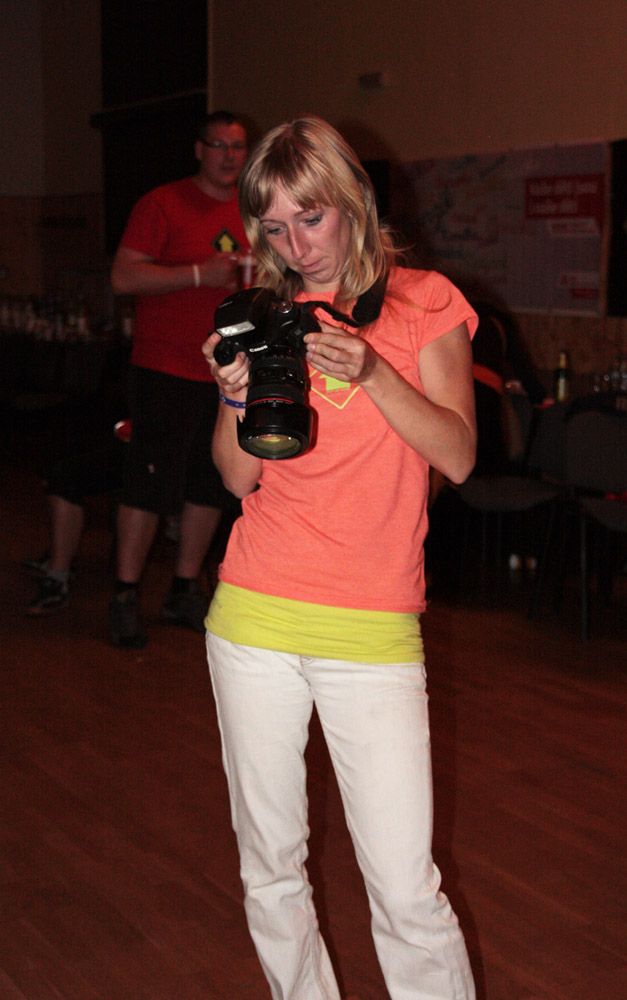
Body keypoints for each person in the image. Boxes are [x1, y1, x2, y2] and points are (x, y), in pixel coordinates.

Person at [202, 116, 477, 999]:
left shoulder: (425, 301)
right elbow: (236, 477)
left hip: (371, 625)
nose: (296, 246)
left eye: (310, 218)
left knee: (404, 889)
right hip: (253, 612)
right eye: (274, 227)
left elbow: (458, 455)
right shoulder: (265, 314)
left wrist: (372, 372)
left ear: (352, 200)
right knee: (270, 869)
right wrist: (231, 395)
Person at [108, 110, 248, 648]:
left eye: (238, 146)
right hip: (164, 368)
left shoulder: (252, 209)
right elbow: (123, 277)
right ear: (198, 150)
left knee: (209, 483)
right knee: (148, 483)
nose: (229, 156)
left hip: (227, 371)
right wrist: (197, 274)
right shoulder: (162, 203)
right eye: (219, 145)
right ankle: (125, 594)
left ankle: (184, 589)